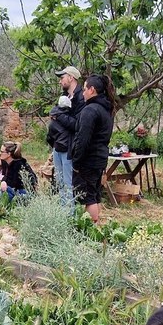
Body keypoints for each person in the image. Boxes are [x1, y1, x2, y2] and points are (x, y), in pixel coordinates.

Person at [70, 74, 115, 224]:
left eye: (84, 89)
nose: (82, 93)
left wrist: (76, 162)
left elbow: (83, 139)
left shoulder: (90, 110)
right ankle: (94, 228)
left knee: (88, 197)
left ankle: (89, 230)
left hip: (88, 161)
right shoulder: (106, 110)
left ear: (92, 90)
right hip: (99, 158)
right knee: (95, 195)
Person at [50, 65, 85, 199]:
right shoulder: (65, 96)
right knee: (59, 181)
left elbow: (78, 124)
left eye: (62, 77)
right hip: (58, 144)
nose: (60, 81)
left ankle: (69, 215)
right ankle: (61, 213)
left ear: (71, 78)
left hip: (70, 147)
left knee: (68, 182)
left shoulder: (81, 98)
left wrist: (59, 116)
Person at [46, 95, 75, 208]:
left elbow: (49, 137)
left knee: (60, 181)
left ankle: (65, 207)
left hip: (57, 148)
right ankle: (69, 209)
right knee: (67, 181)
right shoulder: (70, 118)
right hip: (66, 150)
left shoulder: (54, 116)